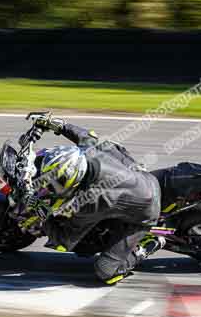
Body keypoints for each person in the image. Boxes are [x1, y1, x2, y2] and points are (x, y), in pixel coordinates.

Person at [12, 115, 164, 285]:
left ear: (74, 180)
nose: (49, 187)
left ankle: (149, 244)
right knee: (108, 146)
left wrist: (43, 215)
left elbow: (65, 240)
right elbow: (85, 135)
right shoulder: (85, 154)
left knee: (106, 271)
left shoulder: (90, 202)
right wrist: (58, 125)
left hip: (147, 209)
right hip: (137, 174)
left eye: (55, 184)